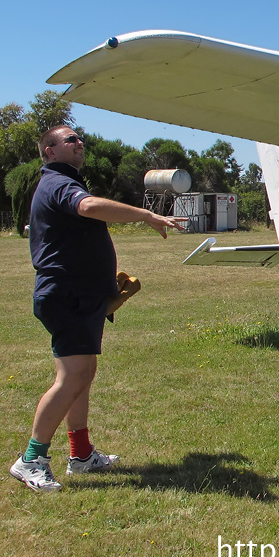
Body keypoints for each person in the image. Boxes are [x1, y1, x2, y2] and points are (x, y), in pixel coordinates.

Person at [9, 125, 184, 492]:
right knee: (72, 377)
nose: (79, 143)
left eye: (79, 139)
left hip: (79, 296)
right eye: (69, 140)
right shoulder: (58, 182)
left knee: (82, 374)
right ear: (49, 152)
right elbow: (87, 207)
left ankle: (82, 455)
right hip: (66, 295)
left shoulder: (63, 180)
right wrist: (145, 215)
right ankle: (31, 459)